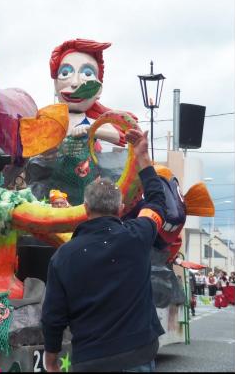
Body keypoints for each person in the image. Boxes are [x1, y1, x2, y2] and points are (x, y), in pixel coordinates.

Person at [42, 128, 167, 372]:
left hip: (90, 359)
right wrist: (143, 158)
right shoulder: (137, 235)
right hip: (137, 355)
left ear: (85, 208)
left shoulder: (63, 256)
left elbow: (53, 316)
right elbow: (157, 203)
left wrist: (51, 357)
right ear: (120, 208)